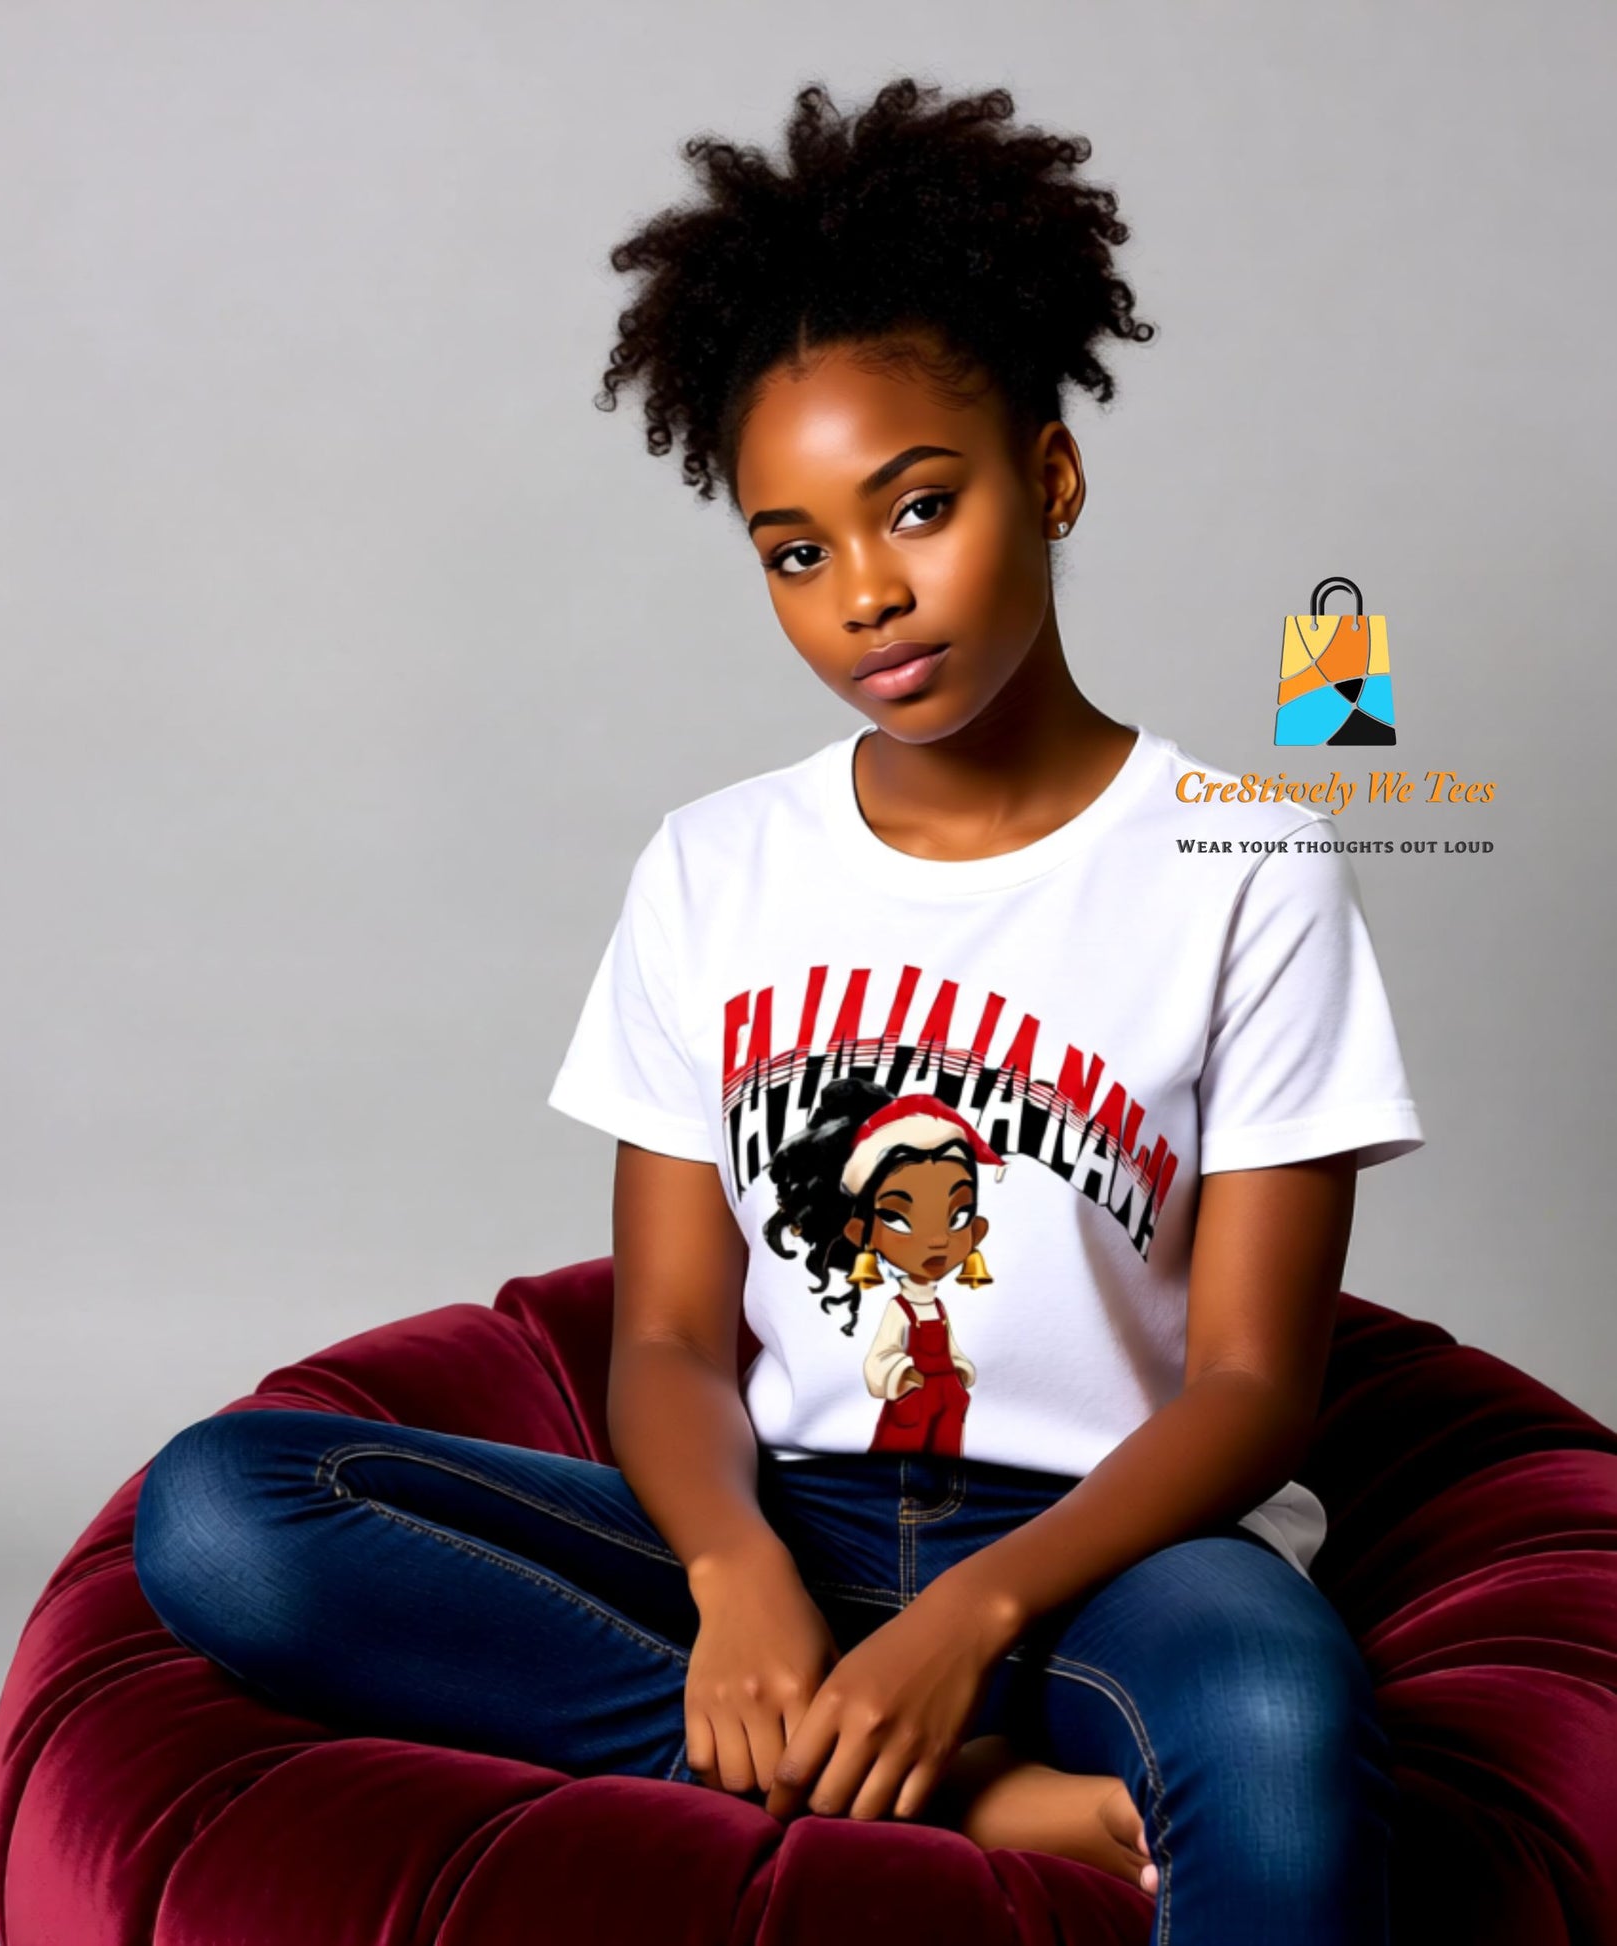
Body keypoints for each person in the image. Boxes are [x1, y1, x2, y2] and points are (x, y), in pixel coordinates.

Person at [131, 76, 1422, 1944]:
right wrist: (734, 1571)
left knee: (1281, 1718)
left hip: (1125, 1553)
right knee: (228, 1512)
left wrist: (973, 1617)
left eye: (919, 505)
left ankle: (926, 1753)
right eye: (793, 547)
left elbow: (1249, 1380)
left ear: (1048, 479)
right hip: (798, 1520)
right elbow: (663, 1332)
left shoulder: (1245, 859)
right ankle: (977, 1802)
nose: (866, 598)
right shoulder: (711, 869)